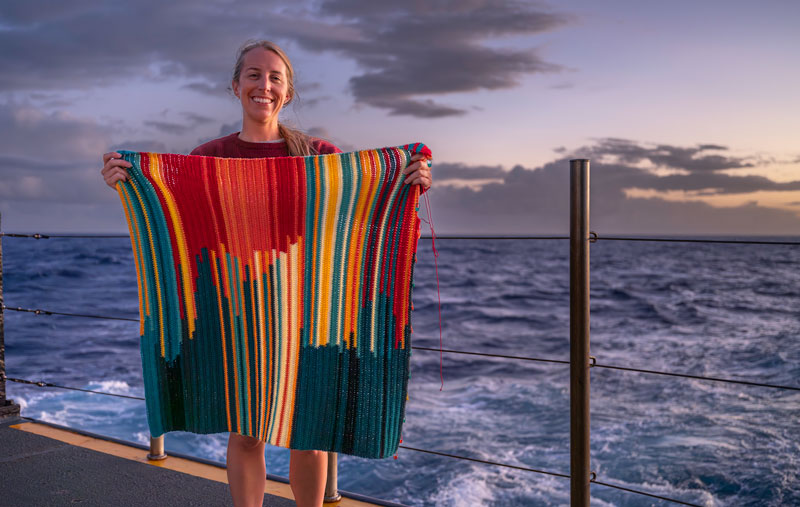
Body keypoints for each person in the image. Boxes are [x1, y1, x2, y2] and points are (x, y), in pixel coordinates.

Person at [100, 39, 433, 507]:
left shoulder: (318, 155)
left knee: (310, 432)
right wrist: (128, 180)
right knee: (247, 433)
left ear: (288, 93)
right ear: (236, 87)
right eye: (254, 75)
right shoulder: (209, 157)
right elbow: (176, 219)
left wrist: (408, 180)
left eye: (275, 77)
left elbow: (358, 211)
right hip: (238, 314)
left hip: (310, 314)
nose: (264, 85)